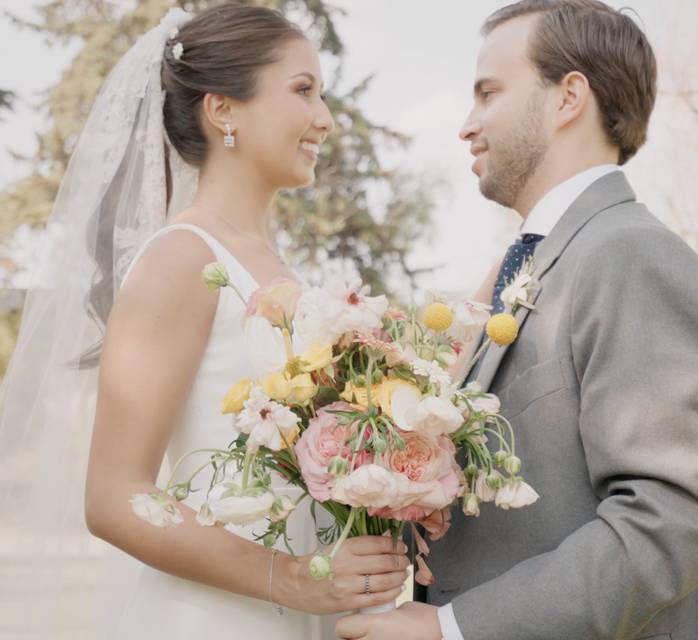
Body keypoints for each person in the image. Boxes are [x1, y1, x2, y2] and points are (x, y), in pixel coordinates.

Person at [0, 5, 407, 638]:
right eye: (303, 91)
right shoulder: (182, 259)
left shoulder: (284, 273)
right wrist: (289, 576)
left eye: (322, 95)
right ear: (223, 111)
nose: (324, 119)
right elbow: (113, 499)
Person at [336, 1, 698, 639]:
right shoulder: (534, 263)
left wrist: (452, 629)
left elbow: (675, 518)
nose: (467, 126)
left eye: (489, 93)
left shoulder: (631, 255)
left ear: (568, 96)